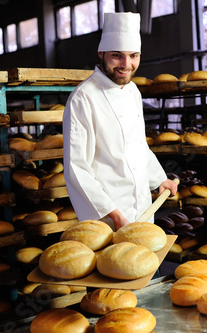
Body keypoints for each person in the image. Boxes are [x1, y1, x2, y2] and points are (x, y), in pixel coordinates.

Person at [63, 12, 178, 231]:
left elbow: (137, 145)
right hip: (107, 217)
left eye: (134, 55)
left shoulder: (133, 91)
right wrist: (114, 215)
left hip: (144, 210)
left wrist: (159, 179)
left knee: (144, 265)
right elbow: (77, 167)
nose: (126, 64)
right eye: (117, 55)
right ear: (101, 53)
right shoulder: (83, 98)